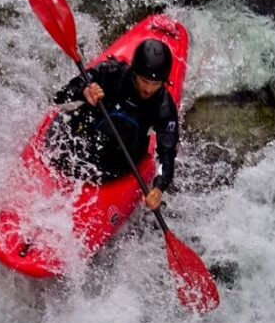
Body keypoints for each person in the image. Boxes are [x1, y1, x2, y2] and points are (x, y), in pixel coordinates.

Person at [45, 38, 179, 211]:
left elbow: (167, 153)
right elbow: (59, 98)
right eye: (144, 81)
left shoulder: (164, 107)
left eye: (155, 84)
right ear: (134, 72)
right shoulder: (108, 73)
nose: (148, 89)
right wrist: (83, 92)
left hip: (115, 165)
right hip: (78, 144)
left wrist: (159, 187)